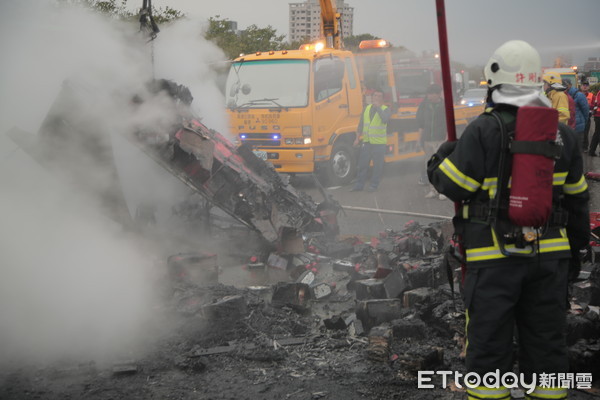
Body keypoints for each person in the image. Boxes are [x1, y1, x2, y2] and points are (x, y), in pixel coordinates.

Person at [427, 40, 590, 400]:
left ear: (494, 82)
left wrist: (440, 156)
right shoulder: (560, 134)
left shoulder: (484, 129)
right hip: (550, 262)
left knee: (488, 348)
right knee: (547, 347)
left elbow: (454, 184)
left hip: (493, 259)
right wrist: (575, 253)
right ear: (537, 84)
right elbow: (578, 201)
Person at [351, 90, 391, 192]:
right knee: (362, 165)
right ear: (372, 97)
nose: (377, 97)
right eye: (375, 95)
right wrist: (357, 138)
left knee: (377, 166)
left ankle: (374, 185)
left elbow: (385, 119)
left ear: (382, 98)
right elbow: (361, 124)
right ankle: (359, 185)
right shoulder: (366, 108)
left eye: (379, 96)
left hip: (379, 143)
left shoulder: (386, 109)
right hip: (367, 142)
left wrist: (378, 108)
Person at [416, 83, 447, 199]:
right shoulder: (424, 105)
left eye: (432, 94)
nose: (429, 96)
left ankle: (443, 191)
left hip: (440, 139)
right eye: (428, 94)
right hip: (427, 140)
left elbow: (449, 122)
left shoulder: (445, 105)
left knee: (441, 166)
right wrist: (419, 140)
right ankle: (433, 190)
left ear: (438, 94)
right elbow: (421, 124)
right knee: (430, 166)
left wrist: (446, 138)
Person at [564, 79, 589, 148]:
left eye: (566, 85)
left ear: (570, 85)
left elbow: (586, 111)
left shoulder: (579, 95)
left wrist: (583, 122)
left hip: (578, 127)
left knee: (577, 149)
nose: (565, 87)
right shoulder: (562, 95)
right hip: (567, 126)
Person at [581, 81, 594, 151]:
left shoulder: (591, 95)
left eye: (586, 85)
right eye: (583, 85)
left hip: (587, 116)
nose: (585, 86)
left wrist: (588, 106)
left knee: (586, 132)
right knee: (579, 132)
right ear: (581, 86)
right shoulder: (578, 94)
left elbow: (594, 105)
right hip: (579, 115)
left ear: (588, 87)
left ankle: (585, 146)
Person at [587, 90, 600, 156]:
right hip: (598, 115)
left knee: (597, 133)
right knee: (597, 133)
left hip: (598, 115)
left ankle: (592, 151)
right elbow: (598, 103)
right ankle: (591, 151)